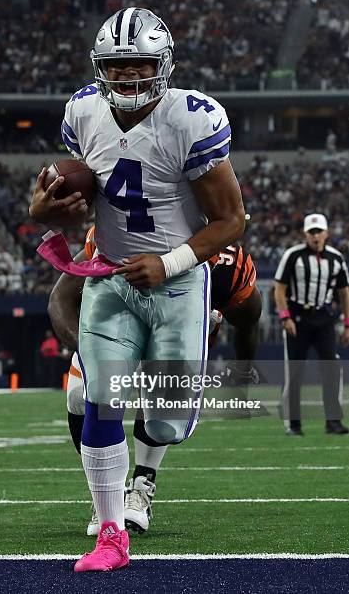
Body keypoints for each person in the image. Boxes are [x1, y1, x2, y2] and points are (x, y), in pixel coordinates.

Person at [30, 7, 245, 572]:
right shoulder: (82, 110)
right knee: (99, 397)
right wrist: (45, 209)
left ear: (163, 64)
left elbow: (230, 221)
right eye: (116, 67)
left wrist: (169, 261)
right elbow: (71, 199)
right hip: (109, 274)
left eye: (140, 66)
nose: (127, 78)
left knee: (167, 418)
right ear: (101, 68)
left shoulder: (191, 118)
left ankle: (145, 473)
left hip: (175, 283)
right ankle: (109, 537)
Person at [47, 226, 261, 535]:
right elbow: (60, 300)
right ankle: (107, 491)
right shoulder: (118, 237)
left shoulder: (226, 266)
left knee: (161, 403)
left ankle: (142, 487)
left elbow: (250, 316)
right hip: (113, 325)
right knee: (80, 396)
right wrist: (94, 352)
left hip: (173, 335)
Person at [274, 213, 349, 436]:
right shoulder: (293, 255)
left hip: (324, 319)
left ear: (326, 233)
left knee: (331, 370)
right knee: (295, 372)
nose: (315, 236)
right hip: (298, 318)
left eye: (319, 232)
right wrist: (285, 317)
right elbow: (279, 288)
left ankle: (333, 422)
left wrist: (347, 324)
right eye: (311, 232)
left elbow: (345, 293)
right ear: (305, 234)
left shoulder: (336, 258)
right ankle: (293, 424)